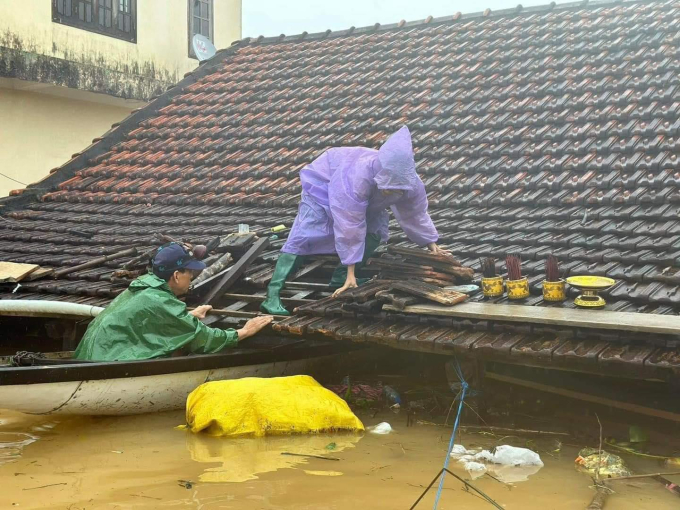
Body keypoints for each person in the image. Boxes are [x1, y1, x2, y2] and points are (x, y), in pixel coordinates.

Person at [261, 126, 448, 315]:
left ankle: (341, 276)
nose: (390, 192)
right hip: (325, 182)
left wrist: (431, 243)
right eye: (387, 187)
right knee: (305, 233)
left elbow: (415, 212)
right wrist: (352, 273)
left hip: (368, 200)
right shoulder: (358, 175)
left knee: (375, 231)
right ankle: (272, 294)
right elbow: (349, 223)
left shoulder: (411, 182)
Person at [74, 242, 273, 361]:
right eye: (191, 273)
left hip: (88, 357)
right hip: (108, 361)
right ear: (177, 276)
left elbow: (149, 321)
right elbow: (204, 339)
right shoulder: (160, 301)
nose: (192, 278)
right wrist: (243, 332)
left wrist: (186, 317)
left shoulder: (143, 289)